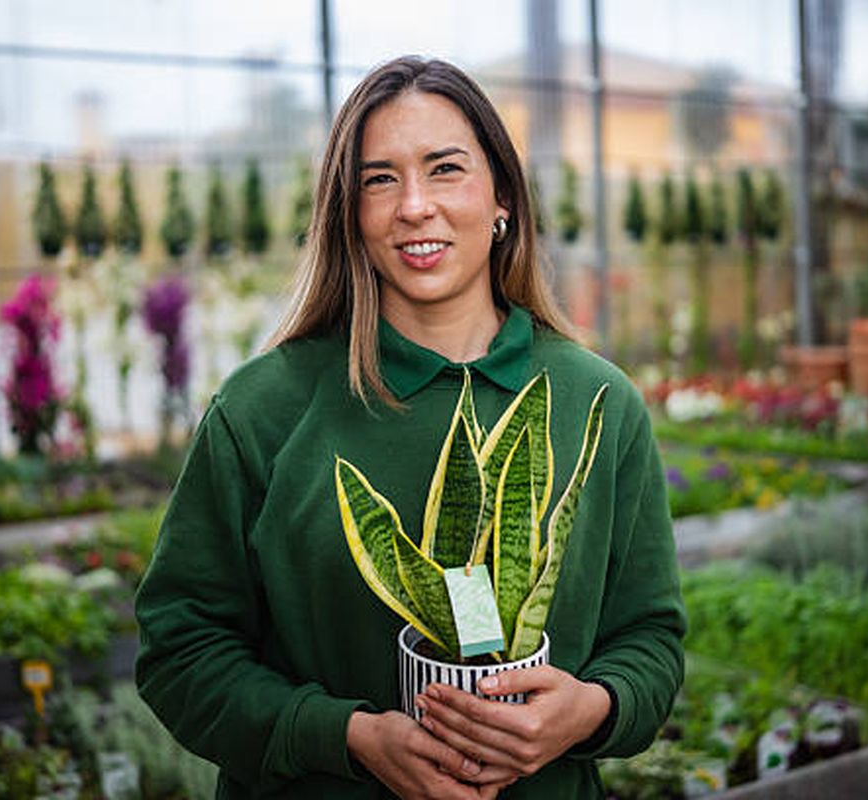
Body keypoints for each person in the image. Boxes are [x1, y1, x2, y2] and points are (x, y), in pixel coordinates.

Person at [134, 56, 686, 799]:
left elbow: (650, 640)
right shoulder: (264, 409)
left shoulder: (599, 403)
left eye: (445, 169)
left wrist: (590, 709)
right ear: (350, 215)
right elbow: (179, 651)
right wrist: (349, 738)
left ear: (504, 201)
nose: (414, 206)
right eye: (379, 179)